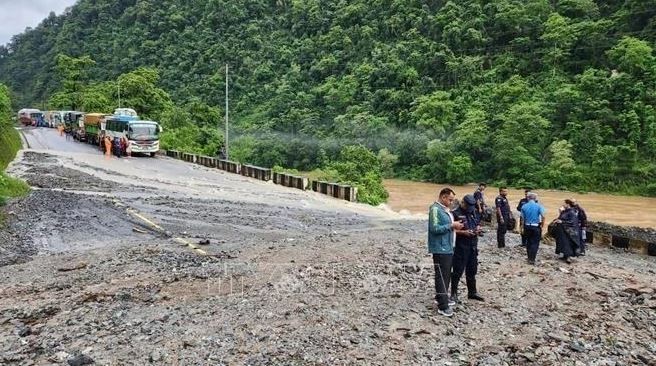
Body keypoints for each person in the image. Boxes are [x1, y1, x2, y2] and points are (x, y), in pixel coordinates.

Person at [428, 188, 465, 317]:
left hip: (448, 246)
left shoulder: (444, 210)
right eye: (450, 199)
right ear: (443, 197)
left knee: (446, 274)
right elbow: (434, 228)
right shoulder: (435, 209)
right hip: (440, 248)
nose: (451, 202)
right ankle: (442, 306)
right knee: (442, 276)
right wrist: (451, 225)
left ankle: (442, 298)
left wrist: (455, 226)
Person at [450, 194, 484, 304]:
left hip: (473, 245)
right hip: (461, 246)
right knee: (458, 270)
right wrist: (463, 232)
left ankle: (472, 292)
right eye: (468, 206)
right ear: (462, 203)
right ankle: (453, 293)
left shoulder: (473, 212)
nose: (470, 209)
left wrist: (478, 229)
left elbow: (477, 223)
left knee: (472, 269)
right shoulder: (455, 213)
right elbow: (450, 230)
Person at [551, 199, 580, 264]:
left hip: (568, 232)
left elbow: (572, 222)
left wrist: (562, 222)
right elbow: (560, 218)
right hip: (562, 231)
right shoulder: (564, 211)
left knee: (567, 244)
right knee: (563, 243)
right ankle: (564, 255)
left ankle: (568, 257)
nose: (563, 205)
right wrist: (559, 215)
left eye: (564, 204)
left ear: (568, 204)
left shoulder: (572, 212)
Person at [520, 192, 546, 265]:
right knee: (535, 243)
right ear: (535, 199)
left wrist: (522, 227)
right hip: (536, 226)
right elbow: (543, 216)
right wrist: (542, 225)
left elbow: (522, 218)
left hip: (527, 226)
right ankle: (532, 259)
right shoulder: (539, 206)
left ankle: (529, 257)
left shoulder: (524, 206)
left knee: (528, 242)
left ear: (528, 198)